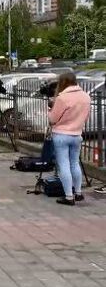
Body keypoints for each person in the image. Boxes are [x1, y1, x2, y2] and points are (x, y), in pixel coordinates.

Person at [48, 73, 91, 205]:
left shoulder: (62, 98)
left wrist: (49, 110)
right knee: (74, 163)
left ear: (63, 82)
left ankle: (68, 196)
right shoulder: (86, 96)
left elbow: (53, 119)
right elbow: (86, 116)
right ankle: (78, 193)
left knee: (64, 166)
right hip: (77, 134)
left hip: (61, 135)